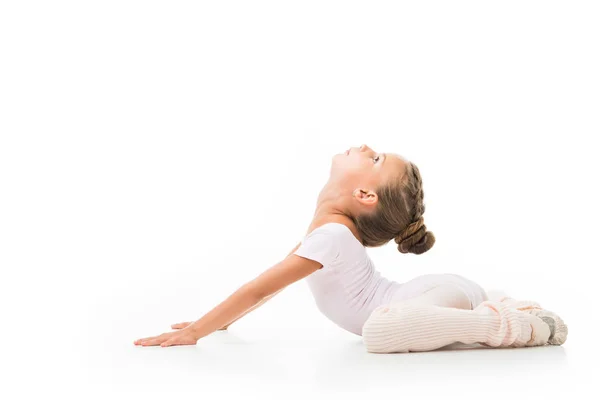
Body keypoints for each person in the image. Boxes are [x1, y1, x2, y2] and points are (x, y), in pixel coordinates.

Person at [133, 144, 568, 352]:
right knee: (383, 329)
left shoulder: (331, 236)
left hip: (422, 300)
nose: (365, 147)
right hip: (433, 294)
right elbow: (268, 288)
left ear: (364, 194)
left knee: (379, 333)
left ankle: (514, 326)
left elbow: (255, 288)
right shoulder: (328, 233)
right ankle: (507, 304)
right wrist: (219, 324)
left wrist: (195, 333)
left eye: (375, 159)